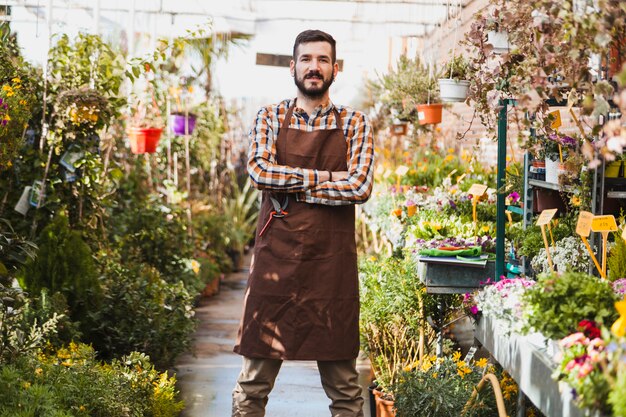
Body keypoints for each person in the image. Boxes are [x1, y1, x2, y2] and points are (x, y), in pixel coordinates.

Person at [232, 29, 375, 417]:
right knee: (252, 386)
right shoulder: (269, 116)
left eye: (323, 60)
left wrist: (293, 183)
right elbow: (260, 172)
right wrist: (328, 179)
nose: (315, 67)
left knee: (346, 390)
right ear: (293, 67)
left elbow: (359, 186)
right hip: (275, 263)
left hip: (331, 270)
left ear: (335, 68)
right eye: (307, 59)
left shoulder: (355, 124)